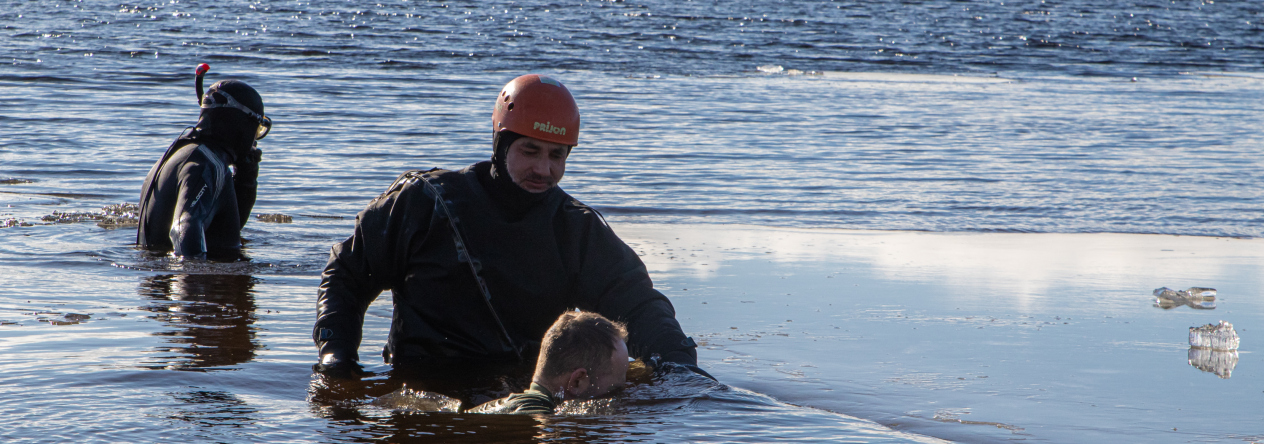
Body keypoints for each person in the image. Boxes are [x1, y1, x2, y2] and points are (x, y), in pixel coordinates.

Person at [313, 74, 701, 379]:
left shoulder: (577, 229)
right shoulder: (423, 201)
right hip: (421, 382)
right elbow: (346, 274)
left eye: (556, 155)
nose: (543, 170)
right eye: (529, 150)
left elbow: (638, 303)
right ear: (500, 144)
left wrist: (679, 365)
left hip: (525, 391)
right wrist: (337, 354)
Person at [138, 66, 270, 261]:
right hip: (193, 288)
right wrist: (193, 284)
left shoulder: (180, 155)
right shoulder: (207, 166)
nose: (255, 141)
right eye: (257, 129)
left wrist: (246, 176)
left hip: (157, 285)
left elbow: (221, 227)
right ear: (242, 124)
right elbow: (184, 226)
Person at [469, 311, 629, 415]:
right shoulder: (539, 418)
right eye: (615, 389)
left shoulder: (487, 409)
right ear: (578, 381)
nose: (623, 394)